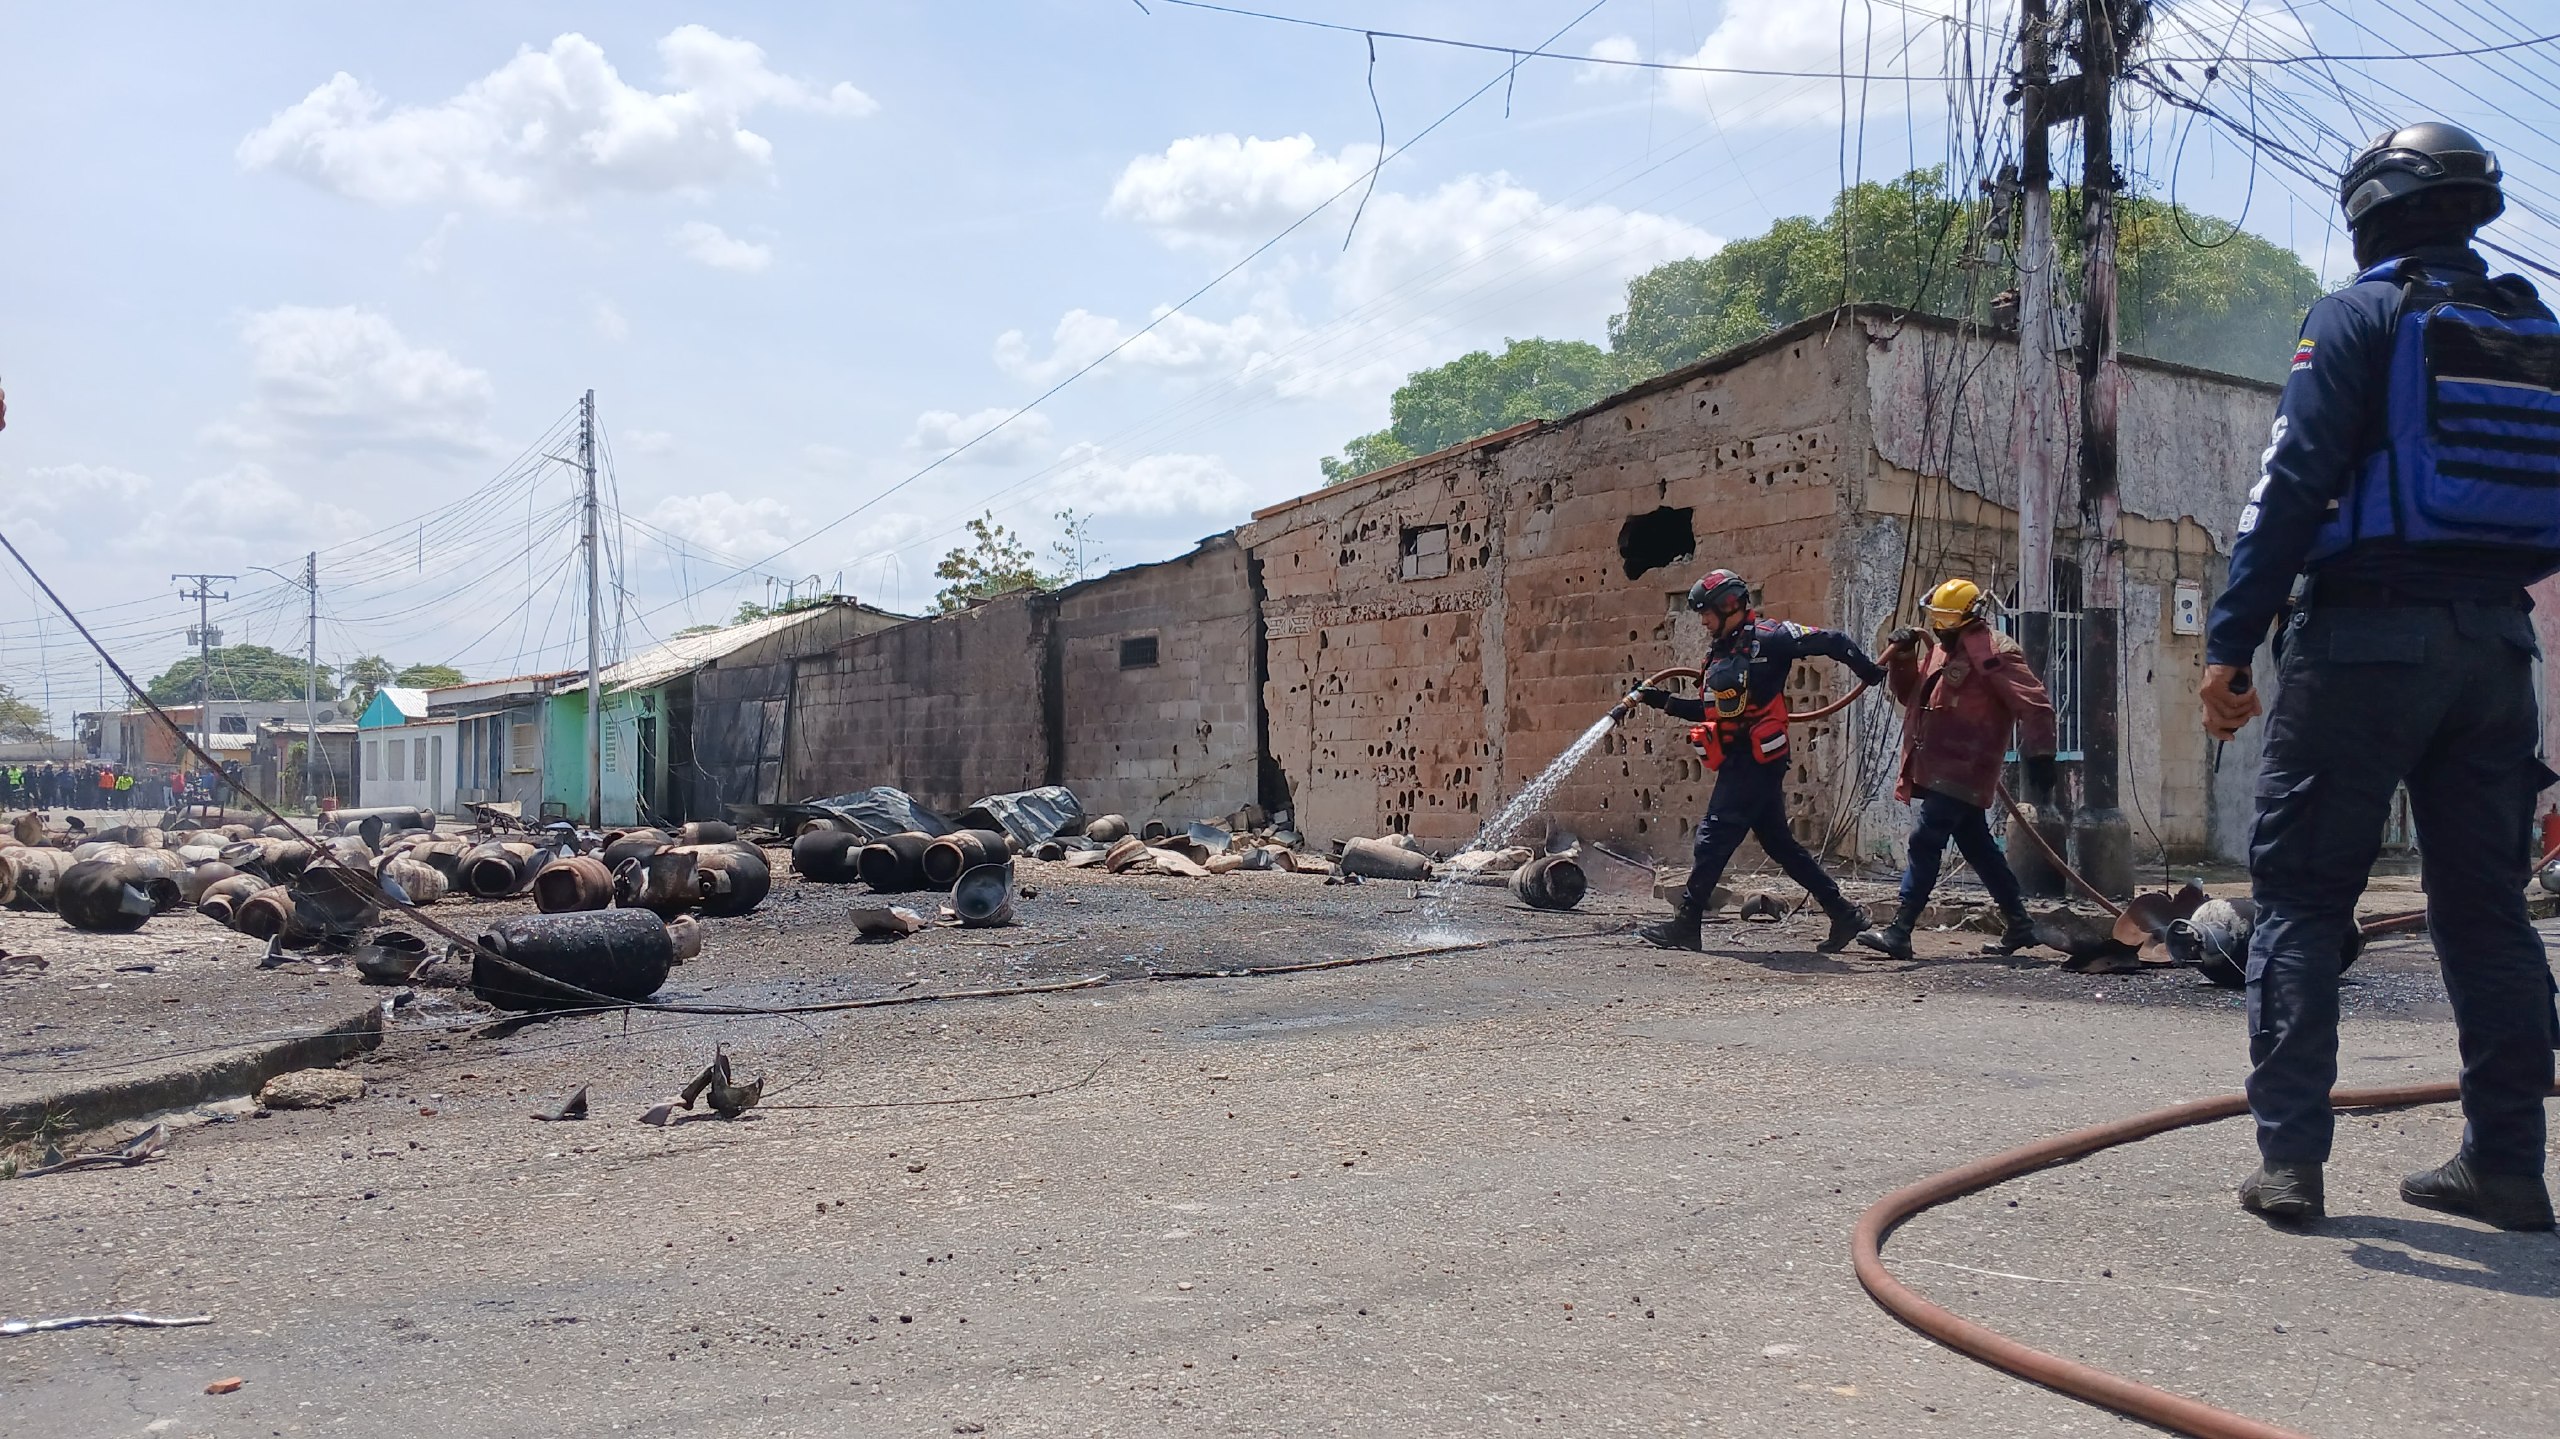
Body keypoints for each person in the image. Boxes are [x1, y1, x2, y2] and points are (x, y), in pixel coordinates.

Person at [2202, 121, 2559, 1230]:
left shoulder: (2356, 315)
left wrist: (2230, 640)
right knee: (2486, 908)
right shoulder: (2533, 330)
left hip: (2363, 638)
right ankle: (2505, 1163)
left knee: (2303, 899)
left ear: (2368, 211)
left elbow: (2291, 482)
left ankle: (2290, 1163)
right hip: (2496, 647)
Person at [1626, 568, 1886, 952]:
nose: (1702, 621)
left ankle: (1687, 924)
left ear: (1728, 606)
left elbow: (1833, 641)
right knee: (1780, 845)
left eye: (1706, 612)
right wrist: (1661, 701)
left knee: (1712, 839)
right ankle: (1844, 913)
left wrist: (1866, 670)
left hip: (1756, 761)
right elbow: (1713, 710)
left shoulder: (1772, 638)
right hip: (1742, 759)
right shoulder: (1720, 650)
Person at [1855, 578, 2059, 961]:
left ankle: (1900, 930)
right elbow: (1910, 694)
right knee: (1978, 847)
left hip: (1966, 764)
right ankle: (2019, 924)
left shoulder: (1995, 652)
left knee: (1925, 839)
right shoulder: (1940, 652)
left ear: (1969, 616)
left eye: (1946, 621)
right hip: (1936, 763)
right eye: (1936, 620)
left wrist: (2042, 755)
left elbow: (2034, 704)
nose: (1938, 628)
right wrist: (1901, 657)